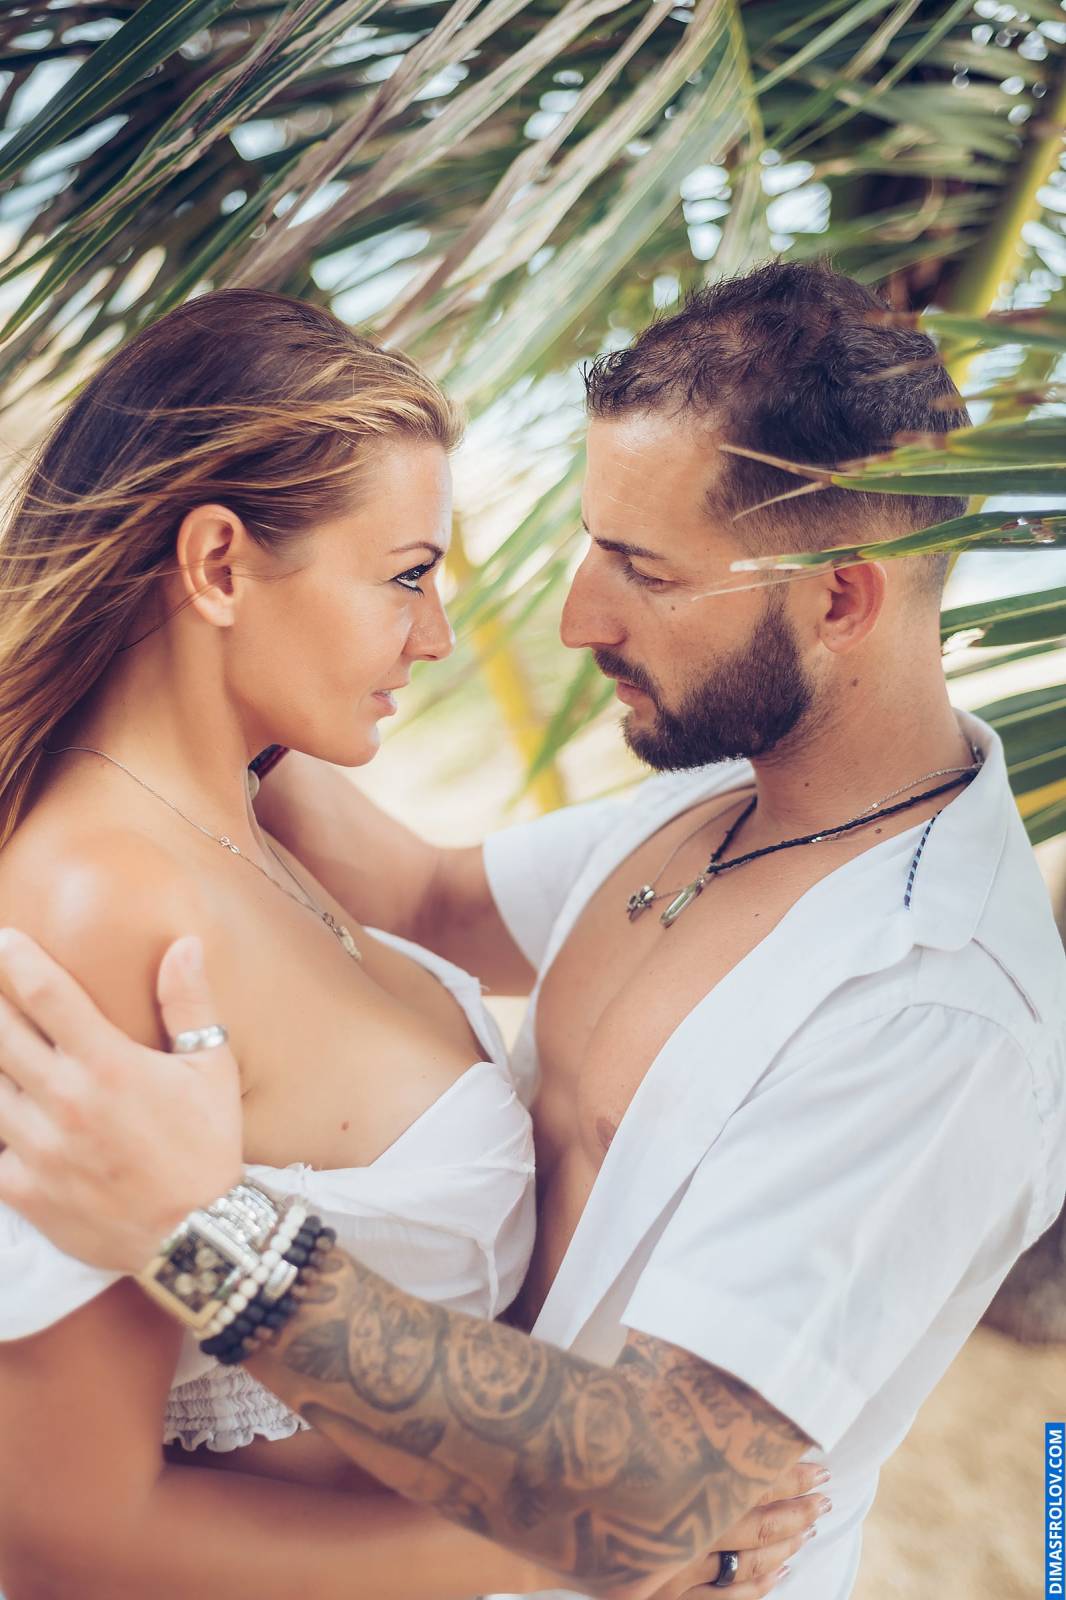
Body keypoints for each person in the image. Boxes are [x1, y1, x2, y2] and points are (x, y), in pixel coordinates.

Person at [1, 262, 1064, 1600]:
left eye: (643, 570)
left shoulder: (936, 1008)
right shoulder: (709, 809)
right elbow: (426, 899)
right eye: (592, 543)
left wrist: (209, 1233)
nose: (574, 619)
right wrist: (195, 661)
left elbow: (664, 1495)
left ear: (840, 599)